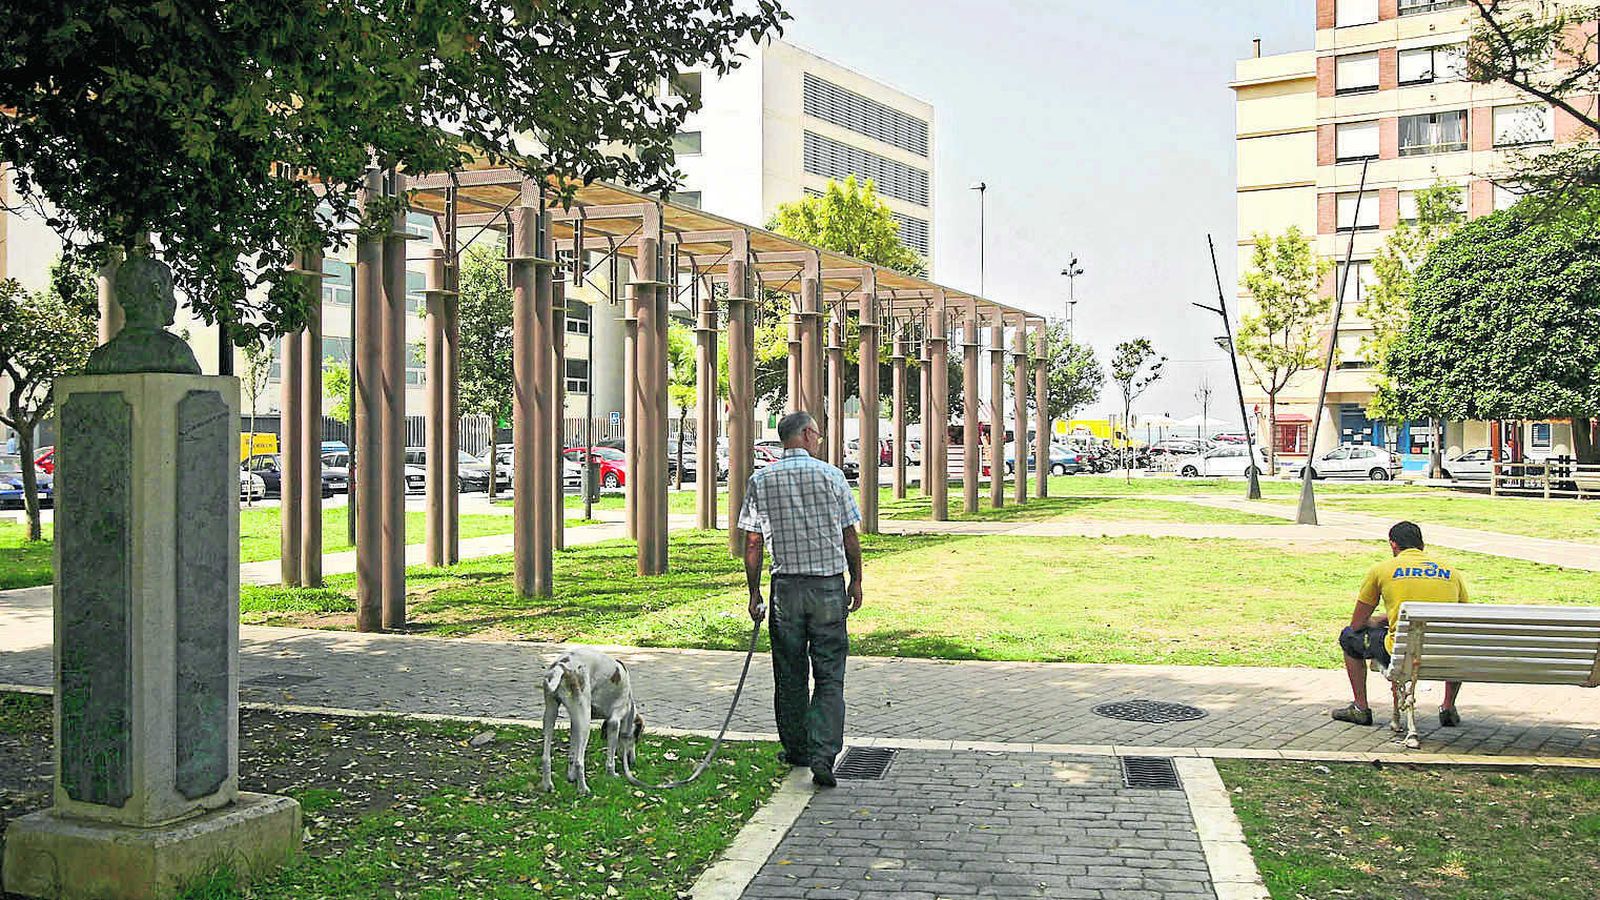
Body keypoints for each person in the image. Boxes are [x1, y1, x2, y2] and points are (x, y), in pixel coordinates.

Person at [738, 411, 863, 788]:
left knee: (789, 674)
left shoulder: (761, 479)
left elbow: (753, 541)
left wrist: (754, 591)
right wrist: (856, 580)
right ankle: (823, 753)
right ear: (807, 434)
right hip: (826, 587)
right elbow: (849, 536)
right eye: (819, 435)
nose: (820, 440)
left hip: (786, 590)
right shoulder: (832, 476)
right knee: (829, 675)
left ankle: (796, 749)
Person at [1333, 521, 1467, 729]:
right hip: (1443, 653)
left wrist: (1380, 620)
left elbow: (1357, 624)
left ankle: (1360, 707)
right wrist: (1392, 617)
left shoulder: (1382, 570)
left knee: (1348, 637)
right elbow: (1462, 618)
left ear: (1393, 545)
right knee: (1455, 643)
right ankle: (1448, 706)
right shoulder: (1451, 572)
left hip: (1400, 653)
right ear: (1421, 545)